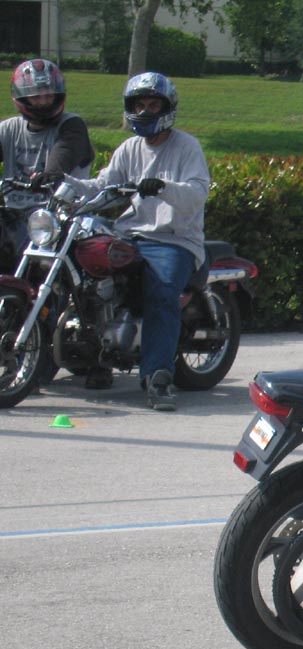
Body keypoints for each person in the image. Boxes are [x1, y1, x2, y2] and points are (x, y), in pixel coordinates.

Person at [64, 72, 210, 411]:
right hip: (129, 234)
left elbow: (197, 194)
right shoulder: (129, 148)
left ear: (167, 108)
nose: (145, 111)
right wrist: (64, 184)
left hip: (173, 239)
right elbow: (102, 186)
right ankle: (95, 357)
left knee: (161, 293)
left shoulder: (187, 147)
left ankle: (158, 377)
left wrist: (162, 187)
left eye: (153, 105)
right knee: (85, 278)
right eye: (139, 105)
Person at [0, 59, 94, 268]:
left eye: (48, 95)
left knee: (42, 268)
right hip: (15, 221)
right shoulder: (8, 129)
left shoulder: (72, 125)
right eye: (36, 97)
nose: (43, 102)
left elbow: (64, 153)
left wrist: (50, 174)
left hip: (58, 222)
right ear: (22, 97)